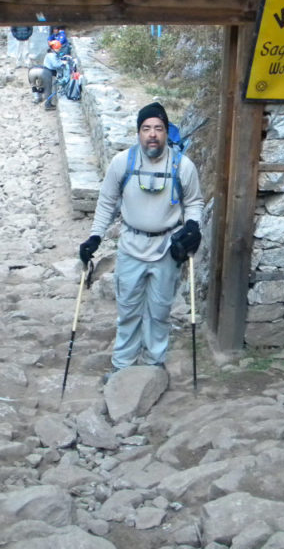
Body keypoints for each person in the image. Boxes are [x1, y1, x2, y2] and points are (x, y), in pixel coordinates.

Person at [79, 102, 203, 378]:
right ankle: (122, 366)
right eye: (146, 128)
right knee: (128, 310)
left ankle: (152, 364)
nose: (152, 134)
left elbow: (194, 202)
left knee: (160, 311)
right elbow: (107, 203)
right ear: (138, 133)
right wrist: (94, 237)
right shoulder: (122, 163)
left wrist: (193, 226)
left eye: (158, 128)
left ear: (166, 132)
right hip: (131, 247)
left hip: (167, 248)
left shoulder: (183, 167)